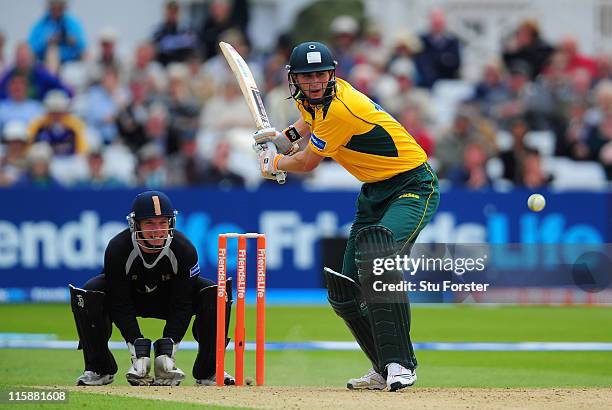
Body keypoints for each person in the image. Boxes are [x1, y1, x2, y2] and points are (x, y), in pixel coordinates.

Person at [254, 41, 440, 391]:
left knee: (379, 258)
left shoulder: (341, 109)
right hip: (373, 193)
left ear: (332, 73)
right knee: (343, 290)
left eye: (321, 74)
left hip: (413, 185)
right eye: (307, 76)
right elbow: (308, 122)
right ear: (294, 78)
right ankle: (382, 367)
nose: (314, 82)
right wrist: (286, 137)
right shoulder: (306, 99)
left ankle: (402, 364)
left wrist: (275, 162)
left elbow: (307, 163)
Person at [69, 190, 235, 386]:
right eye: (149, 223)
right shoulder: (117, 249)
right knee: (90, 292)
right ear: (135, 224)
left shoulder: (184, 249)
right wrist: (136, 344)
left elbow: (183, 303)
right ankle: (99, 369)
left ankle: (209, 371)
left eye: (163, 223)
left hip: (170, 299)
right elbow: (119, 302)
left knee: (215, 292)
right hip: (131, 299)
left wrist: (168, 348)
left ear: (171, 223)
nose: (157, 230)